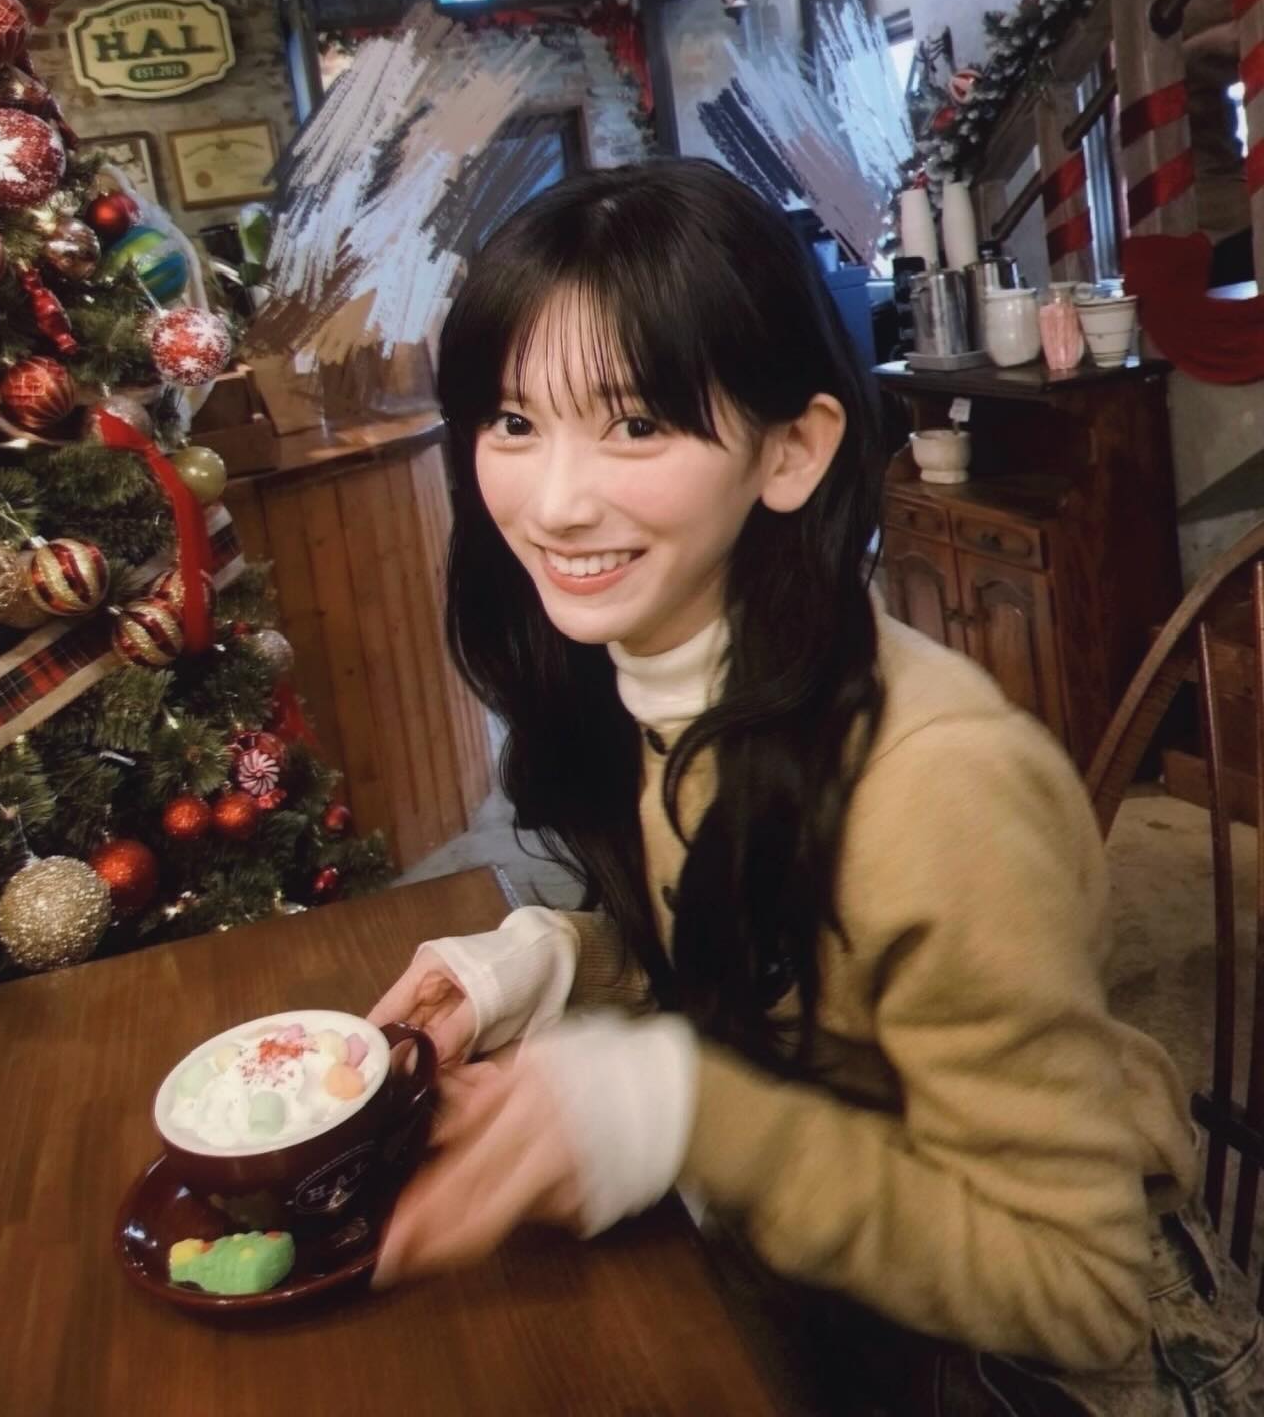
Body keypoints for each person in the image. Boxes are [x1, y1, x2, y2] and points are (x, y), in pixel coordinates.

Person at [369, 159, 1262, 1414]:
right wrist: (557, 962)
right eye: (514, 421)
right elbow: (778, 960)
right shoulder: (656, 674)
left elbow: (1082, 1290)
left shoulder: (936, 782)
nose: (554, 504)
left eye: (636, 423)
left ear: (792, 450)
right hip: (841, 1290)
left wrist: (680, 1111)